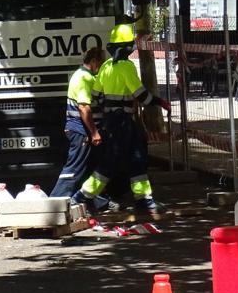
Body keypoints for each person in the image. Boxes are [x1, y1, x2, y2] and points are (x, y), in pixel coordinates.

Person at [72, 20, 170, 216]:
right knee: (113, 162)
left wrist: (99, 124)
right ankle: (84, 196)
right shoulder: (126, 67)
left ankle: (143, 199)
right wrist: (160, 102)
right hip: (122, 121)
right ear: (128, 46)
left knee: (136, 158)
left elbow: (96, 97)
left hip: (112, 121)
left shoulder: (107, 66)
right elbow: (142, 95)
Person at [50, 45, 106, 199]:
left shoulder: (83, 75)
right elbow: (84, 108)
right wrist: (94, 132)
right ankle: (57, 200)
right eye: (101, 64)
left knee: (89, 169)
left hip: (81, 130)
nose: (101, 68)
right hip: (81, 131)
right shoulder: (84, 78)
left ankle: (97, 201)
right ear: (94, 61)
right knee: (75, 168)